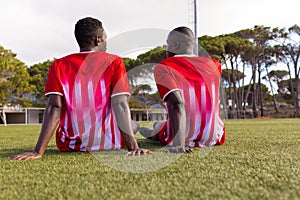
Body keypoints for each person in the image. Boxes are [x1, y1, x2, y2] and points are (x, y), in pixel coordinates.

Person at [11, 17, 151, 160]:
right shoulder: (114, 62)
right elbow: (120, 104)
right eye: (105, 38)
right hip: (108, 142)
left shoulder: (59, 65)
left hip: (70, 143)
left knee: (133, 125)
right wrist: (134, 147)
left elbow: (54, 107)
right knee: (134, 125)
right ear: (98, 40)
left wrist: (38, 152)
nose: (106, 42)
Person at [139, 26, 226, 153]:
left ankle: (154, 133)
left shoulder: (164, 67)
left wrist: (178, 144)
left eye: (167, 45)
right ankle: (156, 129)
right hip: (213, 137)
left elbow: (176, 103)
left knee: (160, 125)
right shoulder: (214, 64)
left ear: (175, 44)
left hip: (182, 136)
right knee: (163, 123)